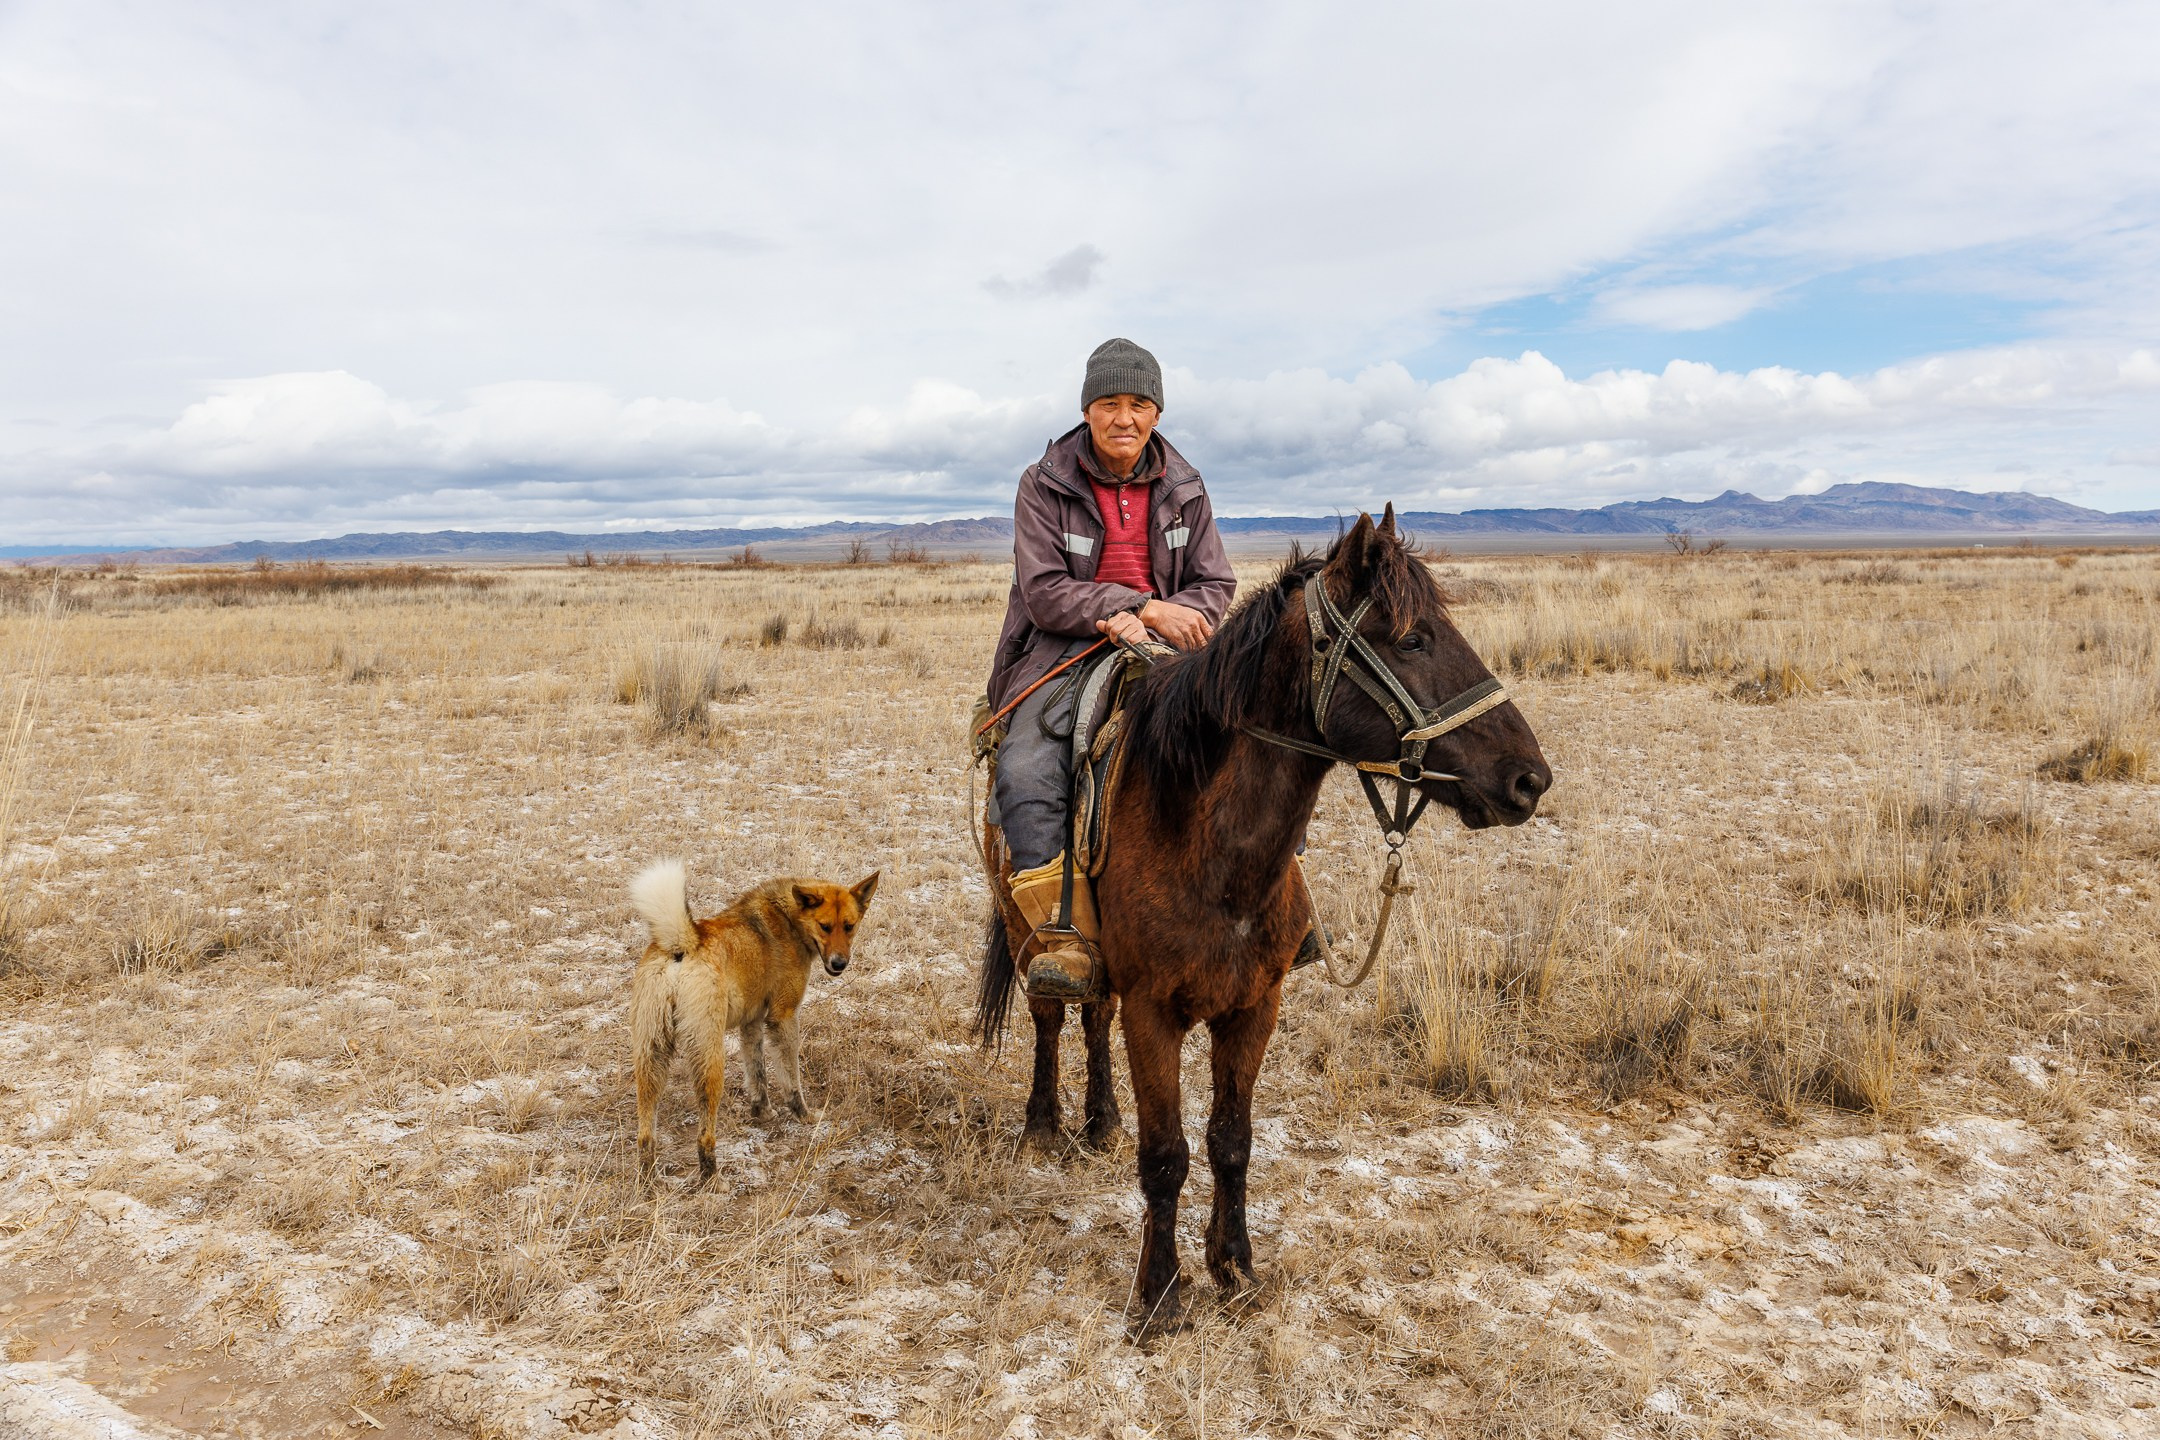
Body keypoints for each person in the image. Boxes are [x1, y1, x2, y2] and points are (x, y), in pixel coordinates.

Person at [985, 339, 1236, 991]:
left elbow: (1214, 581)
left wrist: (1165, 618)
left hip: (1171, 650)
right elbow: (1044, 591)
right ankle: (1060, 935)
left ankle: (1269, 913)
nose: (1124, 418)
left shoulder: (1185, 486)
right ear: (1087, 410)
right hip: (1063, 645)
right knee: (1026, 767)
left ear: (1156, 412)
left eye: (1139, 404)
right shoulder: (1043, 483)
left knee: (1257, 743)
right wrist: (1135, 607)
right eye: (1109, 404)